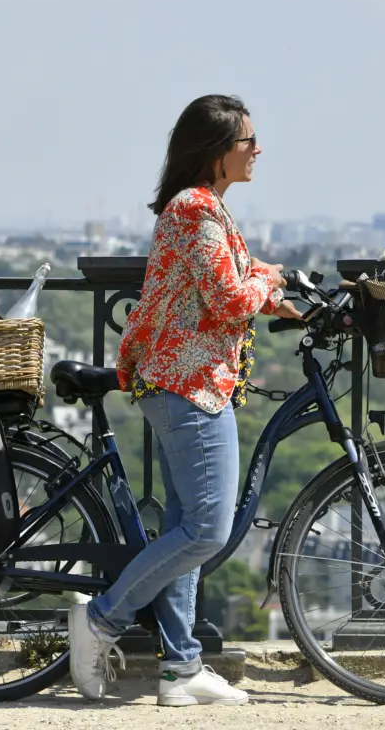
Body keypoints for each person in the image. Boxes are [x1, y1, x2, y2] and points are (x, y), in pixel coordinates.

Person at [68, 95, 303, 706]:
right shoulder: (194, 209)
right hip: (187, 386)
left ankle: (181, 669)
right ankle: (102, 619)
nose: (258, 150)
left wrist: (274, 294)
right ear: (216, 151)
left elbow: (224, 281)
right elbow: (228, 298)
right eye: (248, 140)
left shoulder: (207, 208)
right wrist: (267, 282)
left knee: (183, 528)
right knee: (207, 530)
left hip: (188, 381)